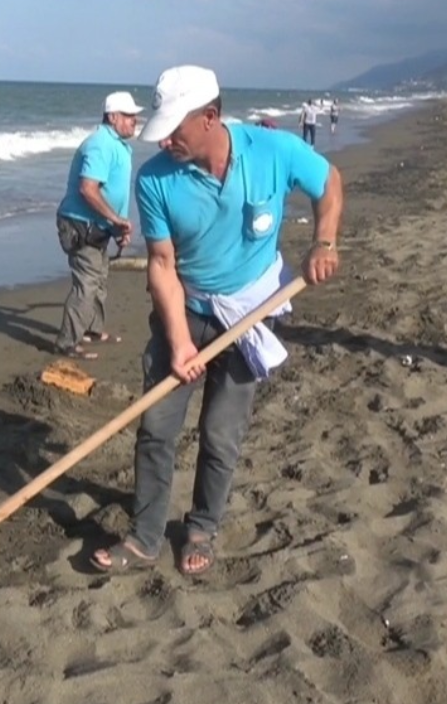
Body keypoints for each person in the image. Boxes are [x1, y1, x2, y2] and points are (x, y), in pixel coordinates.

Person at [90, 65, 343, 576]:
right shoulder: (156, 179)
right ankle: (144, 539)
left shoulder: (272, 151)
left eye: (173, 129)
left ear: (210, 117)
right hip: (185, 308)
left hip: (252, 312)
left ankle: (202, 528)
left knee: (221, 434)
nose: (163, 142)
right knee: (157, 428)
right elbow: (161, 264)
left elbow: (329, 181)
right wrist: (180, 343)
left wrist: (325, 240)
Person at [53, 91, 142, 360]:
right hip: (80, 226)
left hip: (99, 226)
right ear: (112, 117)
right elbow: (88, 190)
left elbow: (112, 192)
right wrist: (117, 220)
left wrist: (118, 229)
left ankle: (92, 329)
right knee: (88, 283)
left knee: (100, 279)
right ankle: (66, 342)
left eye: (134, 116)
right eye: (128, 116)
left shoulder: (118, 145)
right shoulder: (101, 144)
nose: (134, 120)